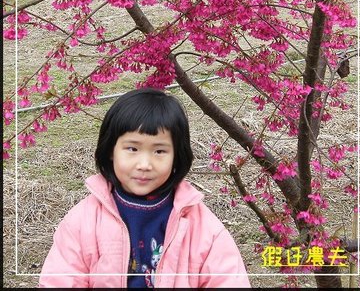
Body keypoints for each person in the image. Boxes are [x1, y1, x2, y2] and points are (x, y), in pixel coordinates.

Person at [39, 88, 251, 288]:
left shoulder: (203, 228)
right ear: (111, 150)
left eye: (159, 151)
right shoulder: (82, 222)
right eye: (132, 148)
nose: (144, 164)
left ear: (177, 156)